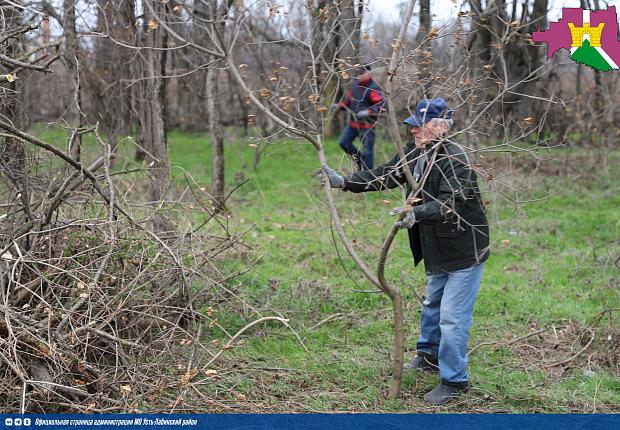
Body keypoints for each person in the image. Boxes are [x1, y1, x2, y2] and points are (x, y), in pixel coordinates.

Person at [319, 98, 490, 405]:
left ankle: (455, 380)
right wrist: (344, 182)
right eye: (411, 126)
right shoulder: (416, 152)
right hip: (436, 246)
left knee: (451, 317)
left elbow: (450, 203)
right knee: (431, 305)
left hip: (465, 250)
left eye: (419, 125)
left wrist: (416, 213)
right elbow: (385, 174)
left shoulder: (456, 160)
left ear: (440, 127)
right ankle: (427, 355)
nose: (412, 131)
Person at [332, 64, 385, 170]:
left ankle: (368, 177)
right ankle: (360, 161)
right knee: (343, 142)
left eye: (362, 73)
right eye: (358, 73)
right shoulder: (355, 85)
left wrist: (368, 112)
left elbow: (381, 105)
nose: (359, 75)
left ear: (368, 73)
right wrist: (339, 106)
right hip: (353, 124)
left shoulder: (373, 88)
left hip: (367, 125)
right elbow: (348, 101)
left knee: (368, 152)